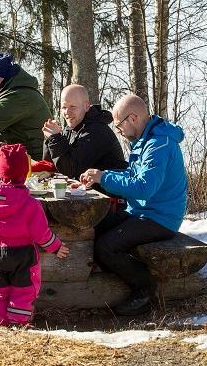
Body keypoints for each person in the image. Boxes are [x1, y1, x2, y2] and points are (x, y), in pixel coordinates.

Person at [79, 93, 187, 316]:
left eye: (119, 125)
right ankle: (114, 275)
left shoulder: (159, 144)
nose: (118, 131)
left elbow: (144, 187)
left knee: (106, 246)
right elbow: (132, 174)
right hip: (140, 212)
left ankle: (145, 289)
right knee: (95, 226)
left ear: (134, 118)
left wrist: (103, 178)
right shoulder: (145, 140)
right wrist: (103, 174)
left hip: (161, 218)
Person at [0, 144, 69, 326]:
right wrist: (56, 247)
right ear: (26, 173)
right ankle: (18, 322)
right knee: (23, 290)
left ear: (0, 171)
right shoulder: (30, 203)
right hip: (24, 254)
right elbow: (41, 233)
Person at [42, 84, 126, 179]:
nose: (67, 112)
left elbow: (70, 170)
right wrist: (49, 138)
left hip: (105, 192)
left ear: (86, 106)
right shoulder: (70, 129)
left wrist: (54, 138)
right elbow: (49, 167)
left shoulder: (97, 131)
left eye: (72, 107)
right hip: (85, 191)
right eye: (64, 107)